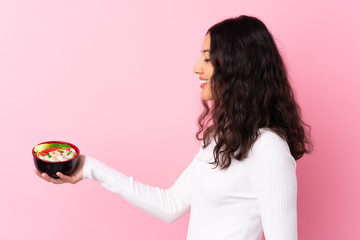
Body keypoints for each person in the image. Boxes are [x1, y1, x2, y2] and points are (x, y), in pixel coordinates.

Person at [35, 15, 312, 240]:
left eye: (207, 57)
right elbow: (171, 204)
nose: (196, 67)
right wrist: (89, 168)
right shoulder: (220, 139)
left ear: (238, 66)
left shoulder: (269, 149)